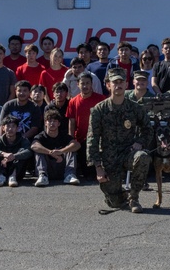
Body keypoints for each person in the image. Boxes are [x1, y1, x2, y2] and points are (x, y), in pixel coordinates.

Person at [87, 68, 153, 212]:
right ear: (108, 85)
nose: (118, 85)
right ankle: (120, 196)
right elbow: (92, 139)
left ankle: (134, 198)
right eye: (114, 82)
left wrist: (140, 142)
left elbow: (148, 129)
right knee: (115, 203)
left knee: (143, 157)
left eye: (121, 82)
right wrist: (98, 167)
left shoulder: (135, 108)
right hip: (109, 157)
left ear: (126, 84)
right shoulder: (99, 110)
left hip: (128, 153)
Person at [67, 72, 106, 179]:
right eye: (82, 83)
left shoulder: (101, 99)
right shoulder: (73, 102)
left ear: (91, 84)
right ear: (78, 85)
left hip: (98, 140)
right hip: (81, 140)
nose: (85, 86)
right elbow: (72, 121)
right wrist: (71, 139)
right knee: (87, 174)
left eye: (87, 83)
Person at [31, 109, 81, 186]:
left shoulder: (64, 136)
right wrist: (50, 152)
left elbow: (77, 145)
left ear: (59, 123)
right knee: (38, 151)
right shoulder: (41, 136)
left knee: (71, 149)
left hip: (62, 168)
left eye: (55, 121)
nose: (52, 123)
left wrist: (61, 151)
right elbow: (34, 146)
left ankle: (70, 175)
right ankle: (43, 176)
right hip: (47, 169)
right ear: (45, 123)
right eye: (50, 121)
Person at [0, 115, 32, 187]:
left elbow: (29, 151)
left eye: (13, 126)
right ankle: (1, 176)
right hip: (2, 167)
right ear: (3, 128)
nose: (10, 129)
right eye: (8, 126)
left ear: (17, 128)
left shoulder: (23, 140)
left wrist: (14, 156)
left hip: (17, 172)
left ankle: (12, 176)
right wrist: (3, 154)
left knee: (22, 151)